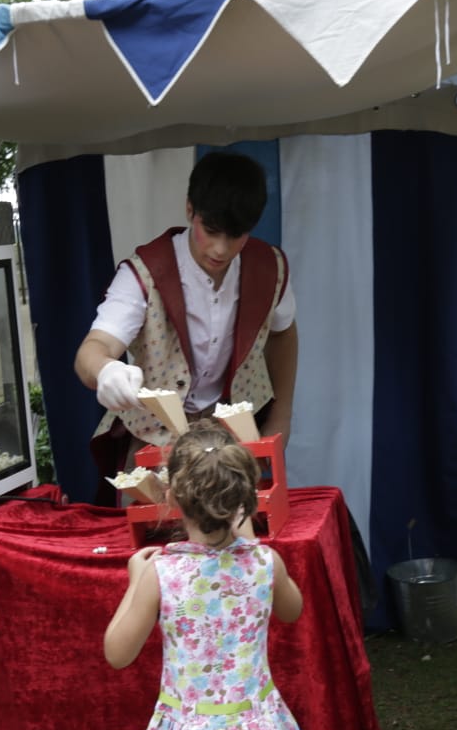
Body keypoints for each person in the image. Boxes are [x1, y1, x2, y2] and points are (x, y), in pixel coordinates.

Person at [104, 420, 326, 730]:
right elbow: (292, 609)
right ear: (243, 497)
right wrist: (247, 535)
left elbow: (117, 652)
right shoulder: (266, 563)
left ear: (170, 496)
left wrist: (135, 580)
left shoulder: (160, 574)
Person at [74, 151, 298, 498]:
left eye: (236, 236)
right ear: (190, 210)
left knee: (240, 543)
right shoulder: (144, 272)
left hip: (234, 442)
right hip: (155, 443)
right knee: (153, 544)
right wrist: (105, 370)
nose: (221, 249)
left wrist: (282, 414)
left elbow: (284, 334)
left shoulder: (269, 267)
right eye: (211, 231)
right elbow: (92, 350)